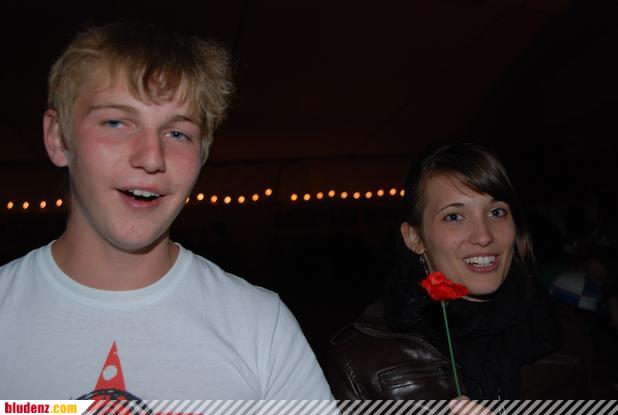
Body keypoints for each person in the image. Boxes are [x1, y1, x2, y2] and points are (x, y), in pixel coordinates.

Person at [0, 21, 332, 400]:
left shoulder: (260, 327)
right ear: (58, 137)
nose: (152, 157)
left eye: (177, 133)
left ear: (202, 154)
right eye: (116, 122)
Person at [326, 143, 615, 400]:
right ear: (415, 238)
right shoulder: (363, 359)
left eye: (496, 212)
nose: (484, 236)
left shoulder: (564, 333)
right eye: (454, 216)